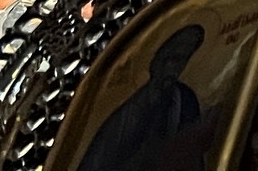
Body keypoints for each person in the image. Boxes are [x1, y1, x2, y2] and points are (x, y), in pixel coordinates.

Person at [73, 25, 212, 171]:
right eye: (171, 58)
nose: (173, 67)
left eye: (183, 59)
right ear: (157, 61)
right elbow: (101, 157)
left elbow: (194, 153)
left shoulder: (184, 98)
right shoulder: (130, 111)